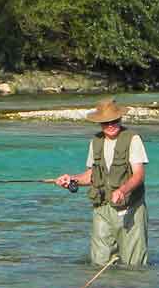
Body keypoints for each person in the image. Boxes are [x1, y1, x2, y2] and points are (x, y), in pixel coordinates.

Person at [53, 99, 148, 266]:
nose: (110, 125)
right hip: (102, 207)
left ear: (120, 119)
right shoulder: (95, 141)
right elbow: (91, 175)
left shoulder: (133, 139)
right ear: (99, 123)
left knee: (134, 264)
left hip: (130, 207)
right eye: (106, 122)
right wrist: (73, 179)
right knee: (99, 261)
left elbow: (139, 175)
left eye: (114, 121)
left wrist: (122, 190)